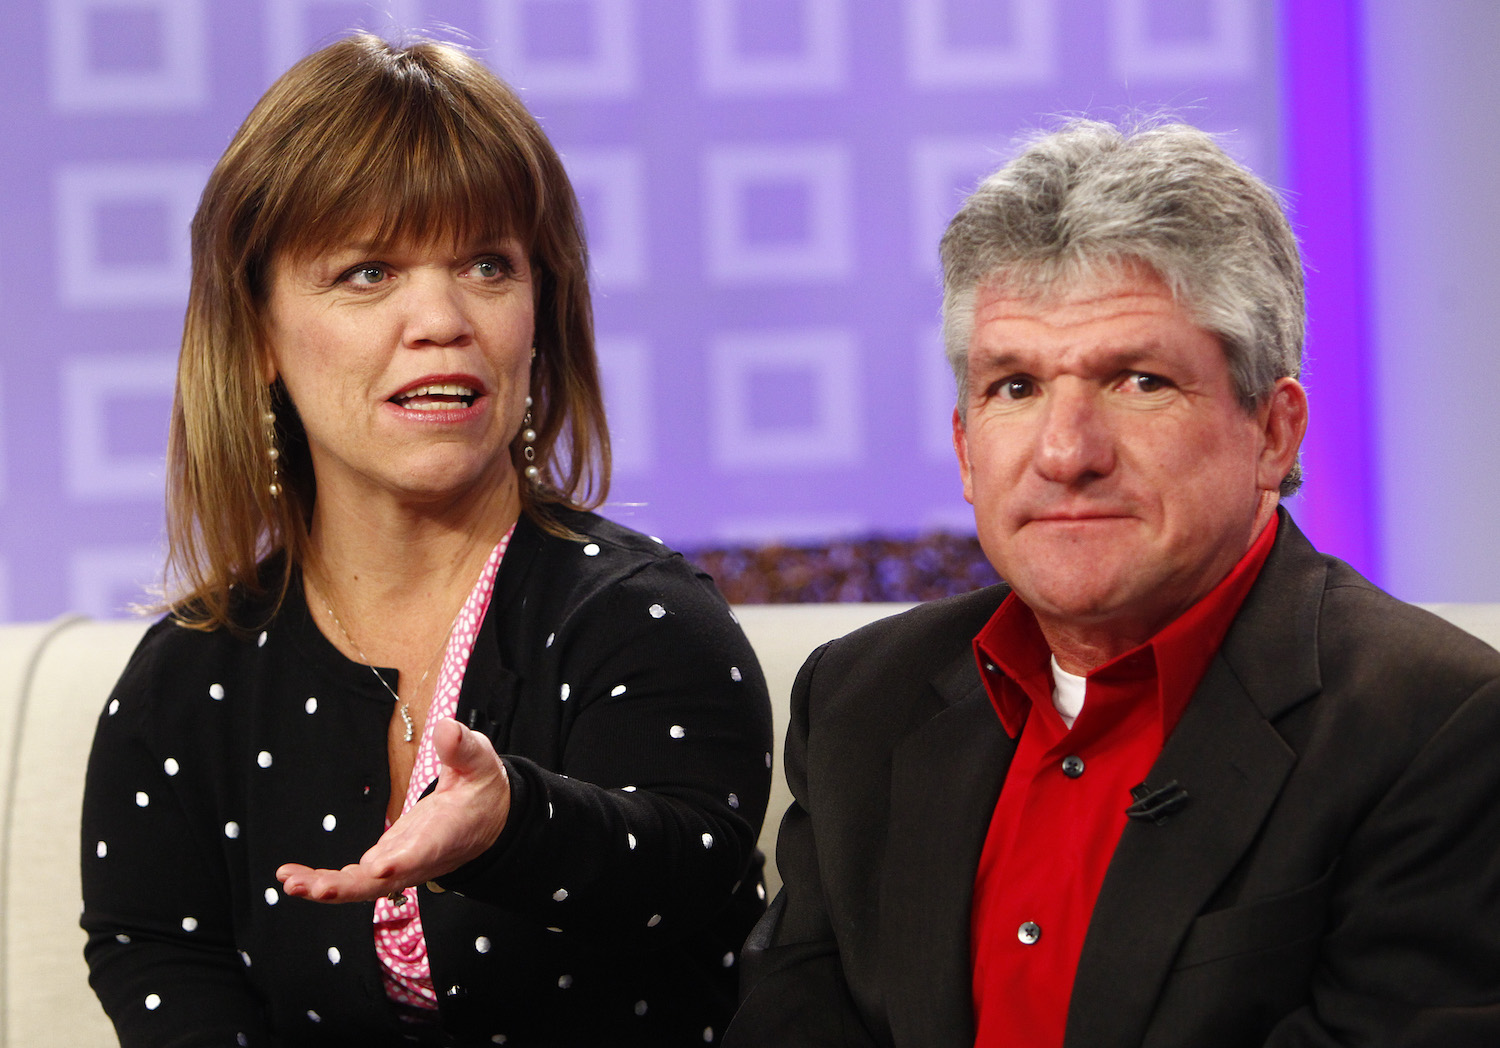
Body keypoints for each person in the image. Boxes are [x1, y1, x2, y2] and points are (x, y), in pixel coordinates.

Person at [726, 119, 1500, 1047]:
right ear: (966, 448)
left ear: (1274, 433)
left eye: (1138, 379)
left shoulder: (1436, 729)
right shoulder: (859, 701)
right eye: (1014, 386)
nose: (1065, 453)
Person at [81, 34, 772, 1048]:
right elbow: (154, 951)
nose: (442, 318)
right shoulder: (187, 681)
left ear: (542, 311)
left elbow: (693, 873)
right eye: (368, 272)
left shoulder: (645, 622)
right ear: (261, 333)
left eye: (488, 264)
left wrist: (512, 827)